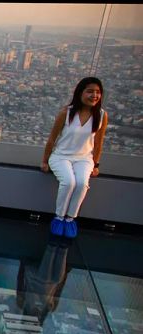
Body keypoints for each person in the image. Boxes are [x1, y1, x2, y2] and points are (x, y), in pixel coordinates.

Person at [41, 77, 108, 238]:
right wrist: (45, 160)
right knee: (69, 182)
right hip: (60, 156)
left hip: (84, 159)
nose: (94, 95)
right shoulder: (67, 112)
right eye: (90, 91)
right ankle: (59, 217)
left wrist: (96, 164)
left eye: (98, 92)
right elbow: (52, 138)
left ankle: (70, 219)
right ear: (80, 93)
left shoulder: (101, 115)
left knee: (82, 183)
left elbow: (98, 143)